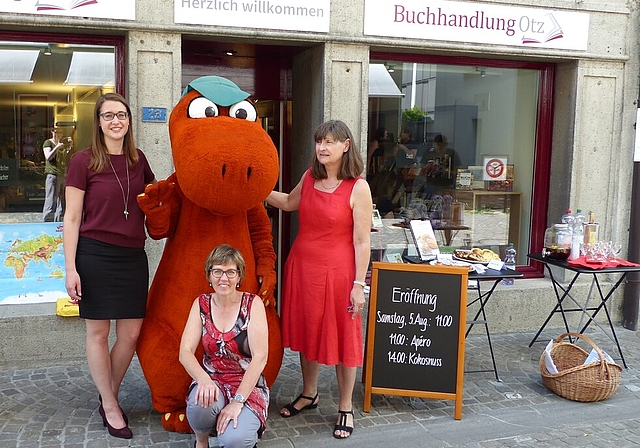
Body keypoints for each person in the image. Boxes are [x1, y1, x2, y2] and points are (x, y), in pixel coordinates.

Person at [266, 120, 372, 440]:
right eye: (319, 142)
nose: (322, 148)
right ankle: (309, 393)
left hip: (340, 274)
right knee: (308, 331)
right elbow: (287, 203)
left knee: (343, 338)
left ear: (345, 145)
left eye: (329, 142)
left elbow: (361, 241)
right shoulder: (309, 178)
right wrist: (254, 189)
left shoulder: (358, 187)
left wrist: (359, 284)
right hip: (303, 267)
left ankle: (344, 407)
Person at [63, 92, 157, 439]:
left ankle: (108, 395)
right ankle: (111, 404)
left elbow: (156, 199)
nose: (116, 121)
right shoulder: (82, 162)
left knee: (130, 334)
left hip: (133, 256)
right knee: (98, 333)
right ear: (98, 122)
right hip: (95, 254)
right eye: (108, 116)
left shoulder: (138, 159)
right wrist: (70, 268)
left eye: (121, 114)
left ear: (129, 120)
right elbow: (72, 218)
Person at [179, 244, 270, 448]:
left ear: (239, 276)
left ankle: (238, 429)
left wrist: (238, 401)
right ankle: (201, 443)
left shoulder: (252, 304)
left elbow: (260, 357)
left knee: (234, 440)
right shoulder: (201, 304)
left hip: (247, 384)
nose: (224, 278)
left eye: (231, 272)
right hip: (213, 379)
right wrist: (204, 380)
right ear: (209, 275)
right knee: (199, 405)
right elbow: (185, 352)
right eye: (217, 271)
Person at [42, 127, 72, 221]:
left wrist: (70, 146)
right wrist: (57, 147)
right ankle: (47, 221)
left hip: (62, 175)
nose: (58, 134)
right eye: (56, 132)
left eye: (60, 132)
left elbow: (66, 159)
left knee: (61, 201)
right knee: (50, 199)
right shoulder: (48, 142)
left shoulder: (62, 145)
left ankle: (58, 222)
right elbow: (48, 157)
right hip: (52, 174)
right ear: (52, 132)